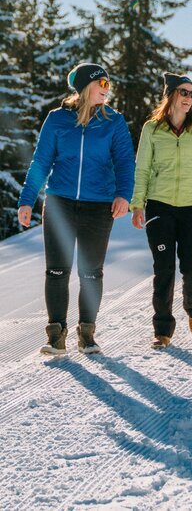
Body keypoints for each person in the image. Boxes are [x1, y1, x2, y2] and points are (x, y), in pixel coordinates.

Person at [18, 62, 134, 355]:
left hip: (98, 206)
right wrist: (27, 199)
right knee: (57, 271)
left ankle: (87, 333)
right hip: (60, 203)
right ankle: (56, 335)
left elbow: (124, 162)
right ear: (86, 87)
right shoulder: (57, 120)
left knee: (91, 273)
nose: (107, 90)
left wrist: (123, 194)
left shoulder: (114, 121)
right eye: (102, 84)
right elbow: (41, 162)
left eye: (109, 85)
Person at [131, 72, 192, 349]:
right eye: (184, 92)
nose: (189, 98)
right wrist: (138, 205)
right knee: (163, 269)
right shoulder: (152, 129)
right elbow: (142, 169)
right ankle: (162, 330)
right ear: (170, 94)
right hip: (159, 206)